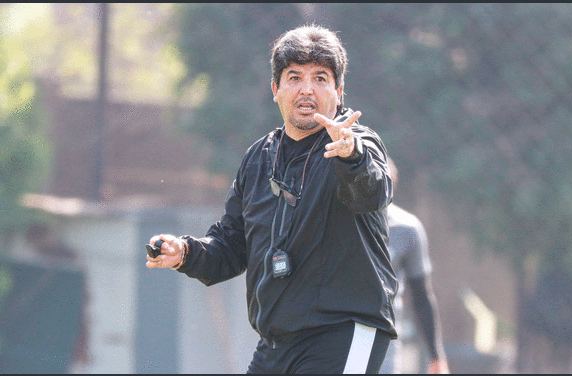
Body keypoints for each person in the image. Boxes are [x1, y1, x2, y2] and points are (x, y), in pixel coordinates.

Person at [146, 24, 397, 374]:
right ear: (275, 89)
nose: (307, 89)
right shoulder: (258, 157)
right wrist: (185, 252)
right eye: (294, 77)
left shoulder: (355, 142)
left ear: (339, 91)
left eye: (320, 78)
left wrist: (352, 154)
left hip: (344, 332)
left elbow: (372, 192)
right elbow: (232, 246)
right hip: (276, 342)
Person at [378, 158, 449, 374]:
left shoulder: (406, 229)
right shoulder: (333, 223)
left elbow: (421, 296)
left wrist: (436, 356)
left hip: (382, 336)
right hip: (333, 335)